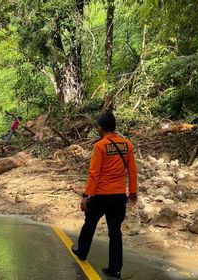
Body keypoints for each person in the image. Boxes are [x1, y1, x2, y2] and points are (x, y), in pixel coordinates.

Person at [72, 113, 138, 279]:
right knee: (115, 231)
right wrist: (133, 192)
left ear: (101, 128)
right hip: (118, 196)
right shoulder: (127, 145)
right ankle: (115, 268)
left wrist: (86, 196)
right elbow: (132, 171)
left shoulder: (100, 146)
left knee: (90, 223)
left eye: (98, 127)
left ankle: (82, 251)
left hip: (101, 195)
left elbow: (94, 174)